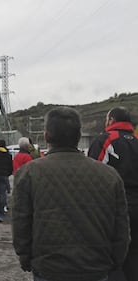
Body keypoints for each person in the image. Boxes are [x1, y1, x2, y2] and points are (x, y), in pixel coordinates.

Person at [12, 107, 130, 281]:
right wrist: (115, 260)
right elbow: (121, 228)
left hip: (49, 268)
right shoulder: (110, 175)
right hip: (96, 268)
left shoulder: (29, 173)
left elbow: (21, 222)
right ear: (78, 136)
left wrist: (25, 257)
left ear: (46, 136)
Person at [88, 106, 138, 281]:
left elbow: (92, 174)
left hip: (114, 208)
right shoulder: (137, 140)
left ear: (111, 120)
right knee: (134, 258)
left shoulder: (106, 140)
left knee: (113, 257)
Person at [0, 139, 13, 215]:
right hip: (4, 175)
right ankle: (2, 209)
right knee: (2, 193)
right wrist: (8, 173)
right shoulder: (8, 154)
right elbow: (10, 166)